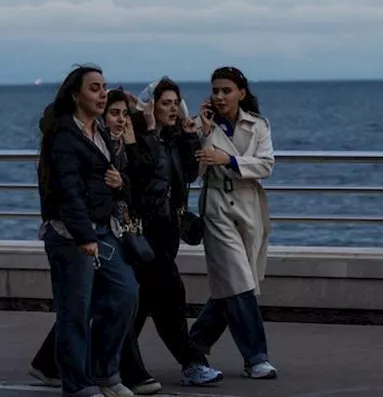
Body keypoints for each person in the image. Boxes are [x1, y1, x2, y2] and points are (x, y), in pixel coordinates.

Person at [32, 89, 164, 394]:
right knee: (75, 311)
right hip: (72, 234)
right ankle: (78, 384)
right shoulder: (64, 138)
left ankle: (106, 374)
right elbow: (68, 192)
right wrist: (84, 235)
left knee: (125, 293)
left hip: (106, 231)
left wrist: (122, 183)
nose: (102, 93)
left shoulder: (103, 136)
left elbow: (133, 185)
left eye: (104, 87)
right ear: (77, 96)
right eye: (95, 88)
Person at [118, 78, 225, 388]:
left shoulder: (176, 137)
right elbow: (141, 171)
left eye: (175, 103)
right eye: (165, 103)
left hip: (168, 230)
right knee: (170, 296)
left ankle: (61, 361)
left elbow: (191, 174)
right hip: (144, 230)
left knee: (140, 302)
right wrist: (150, 132)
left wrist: (192, 136)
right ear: (150, 106)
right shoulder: (135, 136)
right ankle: (192, 362)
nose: (172, 109)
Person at [188, 66, 279, 379]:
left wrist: (230, 160)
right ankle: (256, 357)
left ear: (241, 92)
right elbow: (194, 170)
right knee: (240, 280)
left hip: (249, 205)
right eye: (215, 90)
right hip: (217, 205)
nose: (220, 96)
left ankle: (193, 345)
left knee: (236, 283)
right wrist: (201, 132)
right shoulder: (202, 125)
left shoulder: (258, 126)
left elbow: (267, 164)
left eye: (226, 90)